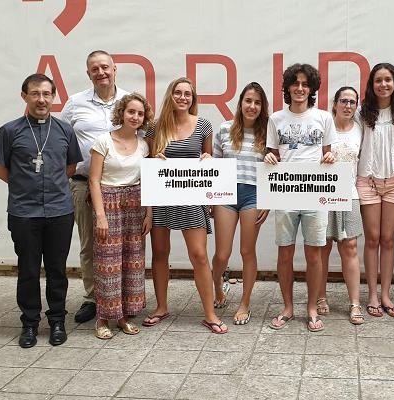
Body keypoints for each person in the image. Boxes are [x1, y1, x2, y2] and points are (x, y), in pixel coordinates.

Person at [0, 74, 82, 348]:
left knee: (57, 269)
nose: (41, 99)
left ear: (54, 97)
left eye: (46, 94)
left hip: (59, 211)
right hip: (24, 212)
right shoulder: (9, 131)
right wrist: (23, 185)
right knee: (28, 270)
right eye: (35, 94)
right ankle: (29, 324)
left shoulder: (65, 130)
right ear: (25, 96)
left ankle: (57, 321)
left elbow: (70, 168)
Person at [144, 77, 227, 334]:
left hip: (192, 198)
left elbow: (208, 159)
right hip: (161, 199)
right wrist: (153, 158)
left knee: (199, 255)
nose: (182, 97)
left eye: (187, 94)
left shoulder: (203, 125)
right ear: (170, 95)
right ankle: (161, 307)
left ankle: (209, 314)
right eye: (178, 93)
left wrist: (208, 158)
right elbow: (147, 163)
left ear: (193, 98)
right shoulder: (154, 128)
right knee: (159, 254)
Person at [264, 63, 336, 332]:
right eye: (295, 84)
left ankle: (312, 308)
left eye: (305, 84)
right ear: (288, 87)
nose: (300, 88)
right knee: (285, 253)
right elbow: (272, 154)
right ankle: (287, 308)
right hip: (285, 194)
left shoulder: (324, 118)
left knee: (314, 254)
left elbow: (330, 153)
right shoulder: (276, 119)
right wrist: (270, 157)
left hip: (316, 195)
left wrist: (330, 157)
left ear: (312, 88)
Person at [61, 50, 130, 324]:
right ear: (88, 73)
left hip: (124, 186)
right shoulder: (75, 103)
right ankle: (93, 297)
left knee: (124, 244)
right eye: (94, 69)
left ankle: (122, 296)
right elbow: (60, 138)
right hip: (83, 185)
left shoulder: (129, 101)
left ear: (115, 69)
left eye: (105, 67)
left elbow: (144, 137)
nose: (101, 72)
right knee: (90, 243)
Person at [88, 93, 152, 339]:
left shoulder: (144, 144)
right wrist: (101, 216)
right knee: (107, 263)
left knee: (131, 262)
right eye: (131, 112)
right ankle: (103, 318)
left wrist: (149, 212)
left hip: (136, 204)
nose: (135, 117)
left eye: (140, 113)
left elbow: (148, 180)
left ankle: (124, 315)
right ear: (122, 113)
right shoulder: (103, 141)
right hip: (109, 202)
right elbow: (94, 180)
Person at [211, 82, 270, 325]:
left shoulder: (268, 133)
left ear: (262, 107)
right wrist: (210, 200)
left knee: (247, 251)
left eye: (257, 102)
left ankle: (245, 303)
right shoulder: (224, 129)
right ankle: (217, 289)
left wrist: (268, 199)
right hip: (225, 195)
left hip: (253, 195)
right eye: (248, 101)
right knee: (222, 253)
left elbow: (273, 168)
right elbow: (213, 166)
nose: (252, 106)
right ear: (240, 103)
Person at [357, 63, 394, 318]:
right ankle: (371, 295)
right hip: (367, 181)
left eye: (388, 79)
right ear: (371, 85)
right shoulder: (361, 111)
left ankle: (386, 294)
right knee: (372, 238)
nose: (383, 84)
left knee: (388, 240)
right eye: (378, 80)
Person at [318, 86, 364, 325]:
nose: (348, 106)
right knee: (322, 247)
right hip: (323, 194)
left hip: (350, 194)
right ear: (334, 104)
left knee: (351, 246)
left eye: (352, 102)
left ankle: (355, 303)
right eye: (343, 101)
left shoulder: (361, 129)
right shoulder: (322, 128)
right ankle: (320, 297)